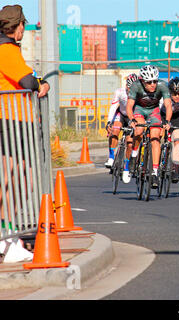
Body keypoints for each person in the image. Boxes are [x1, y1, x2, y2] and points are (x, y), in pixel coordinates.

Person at [0, 4, 49, 263]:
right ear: (16, 26)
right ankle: (7, 238)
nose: (24, 31)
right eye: (24, 26)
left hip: (12, 118)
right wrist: (42, 83)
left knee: (14, 179)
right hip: (13, 119)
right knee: (19, 180)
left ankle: (8, 237)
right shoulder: (7, 50)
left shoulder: (7, 50)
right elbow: (27, 81)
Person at [126, 65, 172, 186]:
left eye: (154, 81)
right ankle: (134, 154)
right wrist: (132, 119)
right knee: (139, 130)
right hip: (139, 110)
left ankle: (155, 172)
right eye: (149, 82)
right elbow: (129, 106)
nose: (152, 84)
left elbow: (168, 105)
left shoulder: (162, 85)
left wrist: (167, 121)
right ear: (142, 81)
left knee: (155, 138)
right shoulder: (136, 85)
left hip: (154, 111)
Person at [104, 73, 138, 183]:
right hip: (122, 115)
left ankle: (127, 168)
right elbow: (113, 107)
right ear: (126, 86)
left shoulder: (139, 95)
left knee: (130, 143)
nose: (130, 91)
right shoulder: (120, 92)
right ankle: (111, 157)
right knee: (115, 129)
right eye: (129, 88)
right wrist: (109, 122)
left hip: (132, 118)